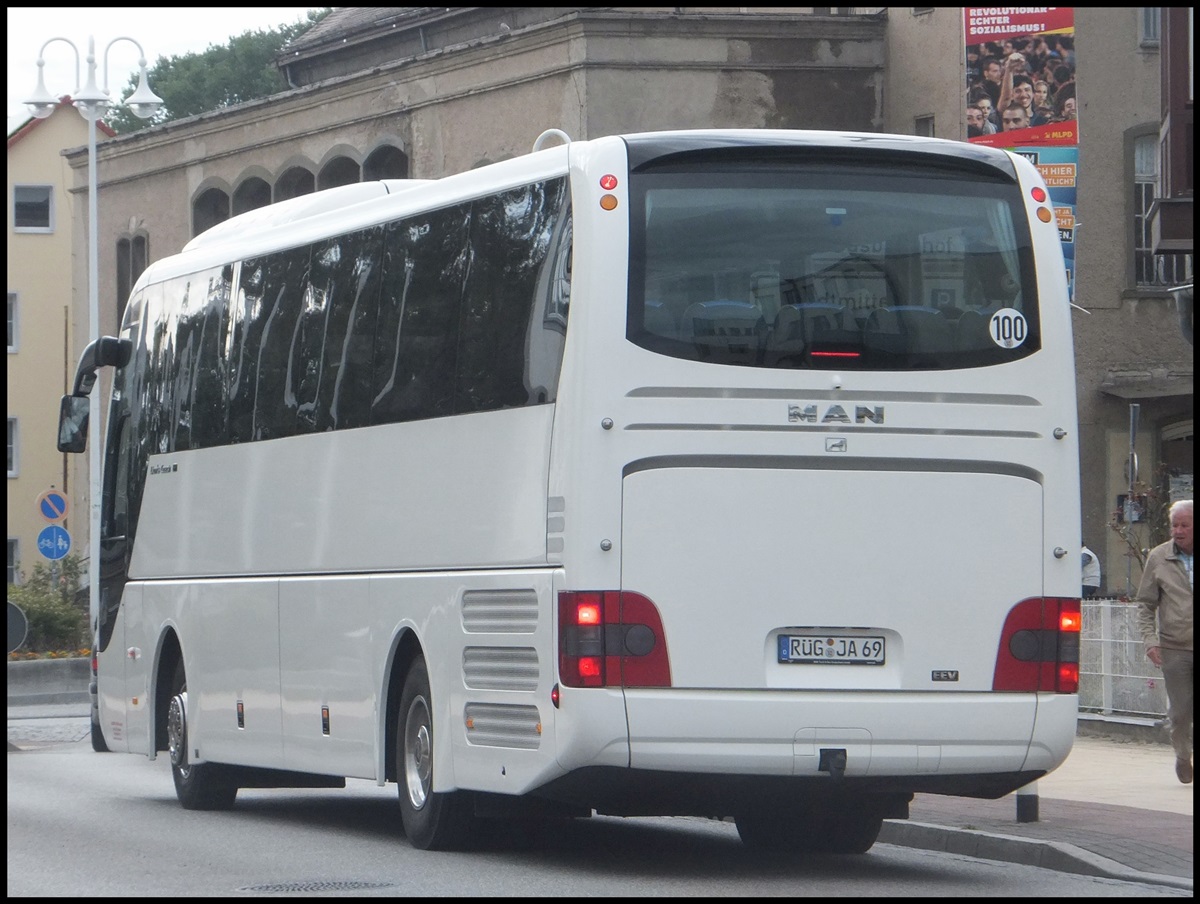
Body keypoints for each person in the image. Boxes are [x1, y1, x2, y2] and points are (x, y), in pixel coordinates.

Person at [1135, 499, 1194, 784]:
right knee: (1181, 711)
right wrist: (1150, 640)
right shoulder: (1159, 558)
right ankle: (1183, 756)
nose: (1178, 531)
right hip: (1176, 647)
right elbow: (1145, 604)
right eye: (1175, 525)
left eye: (1185, 525)